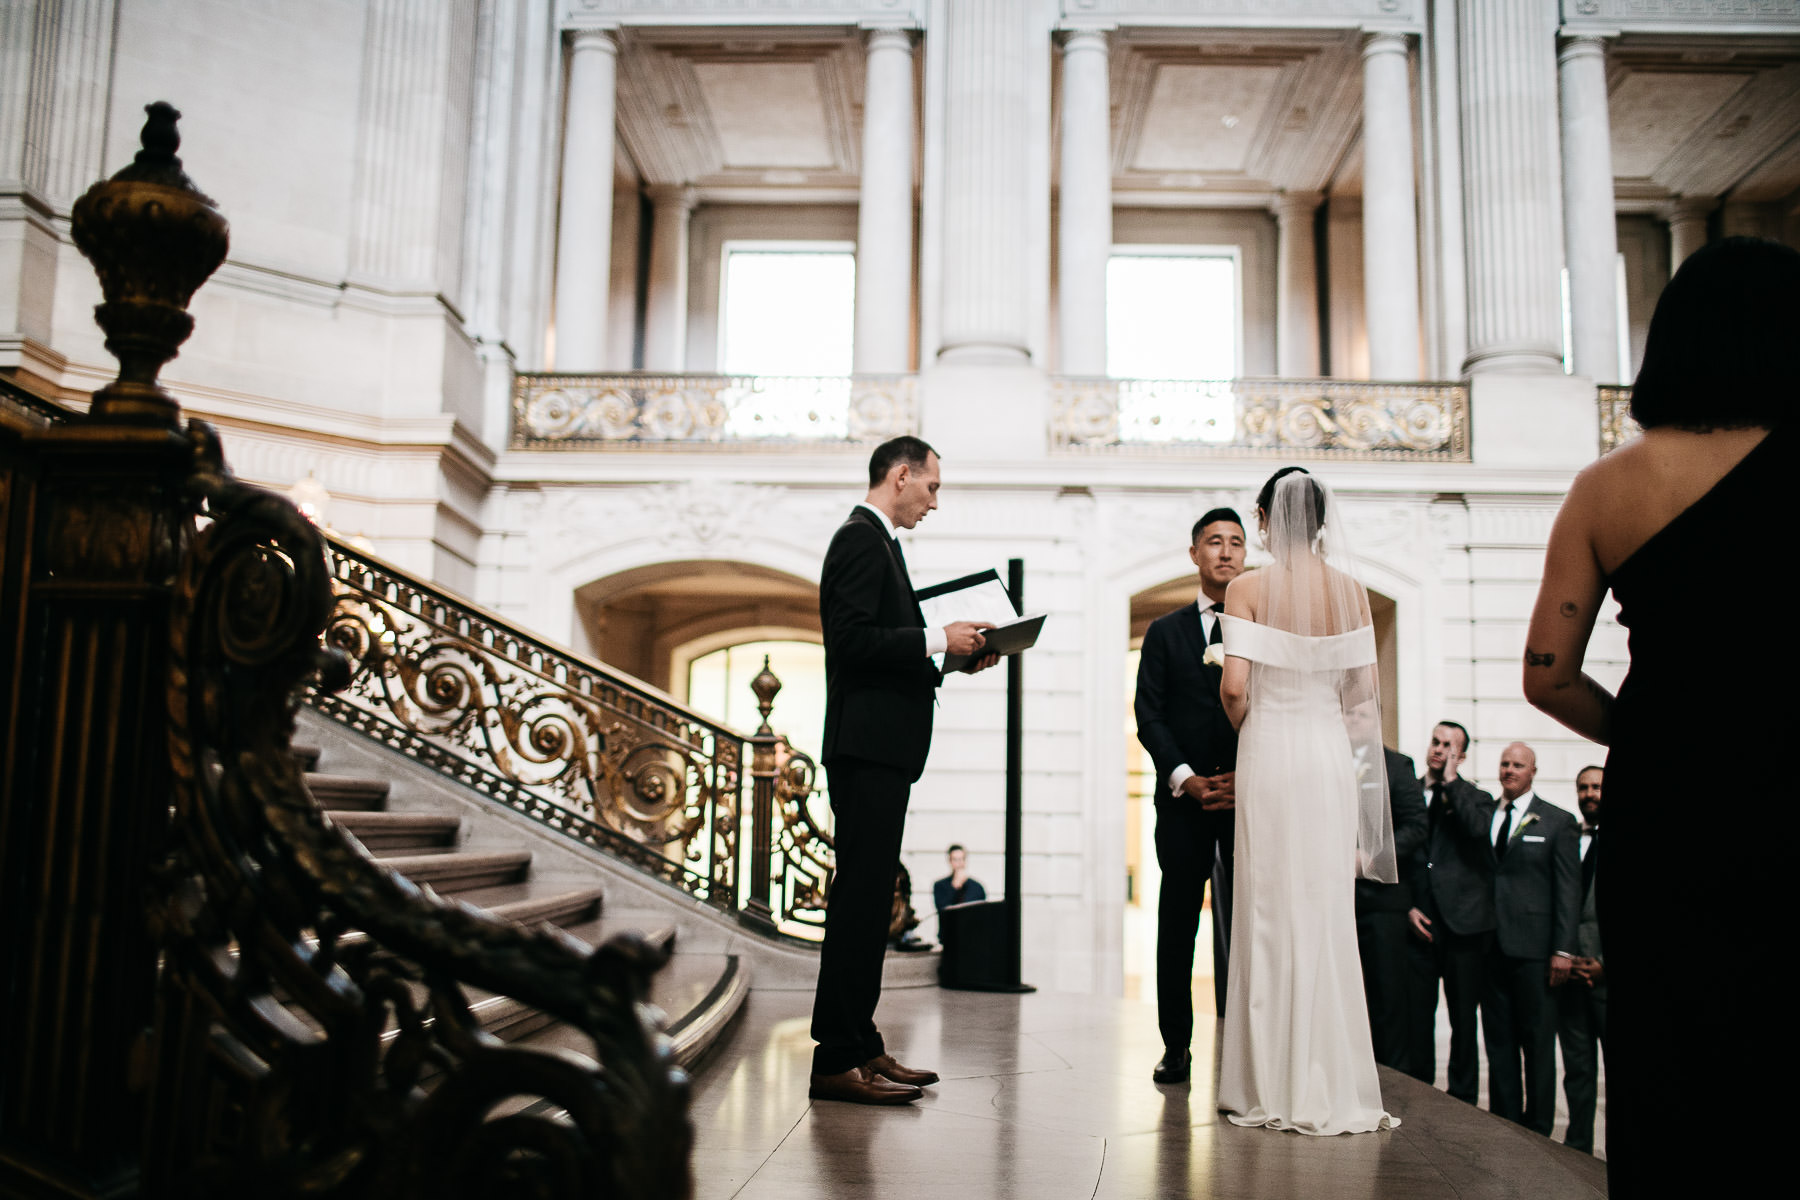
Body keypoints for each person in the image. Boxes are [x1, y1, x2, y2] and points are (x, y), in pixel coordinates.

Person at [1522, 236, 1797, 1192]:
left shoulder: (1608, 487)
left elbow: (1548, 675)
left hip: (1670, 805)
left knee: (1670, 1057)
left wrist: (1652, 734)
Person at [809, 436, 996, 1106]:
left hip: (882, 749)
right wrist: (934, 637)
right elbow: (851, 640)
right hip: (866, 750)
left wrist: (956, 654)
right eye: (933, 487)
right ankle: (835, 1056)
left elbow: (885, 651)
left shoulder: (879, 542)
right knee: (859, 904)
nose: (934, 502)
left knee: (869, 904)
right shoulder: (858, 537)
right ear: (901, 474)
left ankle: (860, 1044)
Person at [1215, 467, 1398, 1134]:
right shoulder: (1350, 591)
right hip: (1325, 757)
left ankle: (1266, 1085)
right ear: (1321, 520)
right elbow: (1362, 698)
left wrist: (1256, 728)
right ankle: (1330, 1078)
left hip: (1269, 749)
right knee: (1324, 909)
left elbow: (1236, 689)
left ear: (1264, 517)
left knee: (1266, 907)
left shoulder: (1248, 587)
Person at [1133, 508, 1245, 1084]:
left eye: (1235, 543)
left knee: (1254, 923)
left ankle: (1251, 1045)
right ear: (1195, 554)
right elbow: (1147, 714)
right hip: (1183, 802)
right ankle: (1176, 1045)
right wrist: (1186, 777)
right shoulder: (1165, 631)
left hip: (1250, 800)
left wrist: (1246, 779)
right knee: (1178, 925)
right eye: (1213, 543)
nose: (1225, 552)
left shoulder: (1264, 630)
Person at [1471, 742, 1580, 1136]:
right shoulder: (1487, 816)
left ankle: (1538, 1130)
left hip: (1536, 951)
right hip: (1490, 947)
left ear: (1533, 771)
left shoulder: (1557, 821)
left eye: (1518, 765)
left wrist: (1563, 949)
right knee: (1498, 1042)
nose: (1509, 770)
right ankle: (1505, 1123)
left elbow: (1568, 890)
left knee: (1536, 1044)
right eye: (1504, 764)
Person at [1407, 721, 1494, 1102]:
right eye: (1436, 742)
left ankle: (1462, 1097)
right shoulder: (1409, 792)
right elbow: (1401, 855)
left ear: (1461, 755)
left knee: (1462, 1018)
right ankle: (1418, 1087)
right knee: (1417, 1014)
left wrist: (1452, 780)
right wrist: (1407, 905)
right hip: (1420, 921)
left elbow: (1477, 832)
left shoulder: (1477, 797)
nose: (1439, 750)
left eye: (1450, 746)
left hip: (1463, 925)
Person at [1349, 711, 1429, 1078]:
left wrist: (1371, 859)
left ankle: (1394, 1082)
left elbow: (1416, 827)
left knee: (1388, 999)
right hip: (1338, 901)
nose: (1352, 720)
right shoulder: (1331, 764)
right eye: (1346, 712)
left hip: (1383, 902)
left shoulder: (1397, 766)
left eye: (1358, 713)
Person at [1556, 765, 1605, 1155]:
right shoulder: (1567, 837)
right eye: (1583, 787)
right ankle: (1577, 1149)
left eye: (1598, 787)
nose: (1590, 794)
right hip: (1571, 974)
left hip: (1606, 976)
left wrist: (1604, 962)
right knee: (1577, 1070)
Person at [932, 844, 987, 912]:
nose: (959, 863)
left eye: (962, 859)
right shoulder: (940, 886)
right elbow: (943, 910)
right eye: (955, 860)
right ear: (950, 861)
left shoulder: (977, 887)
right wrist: (956, 887)